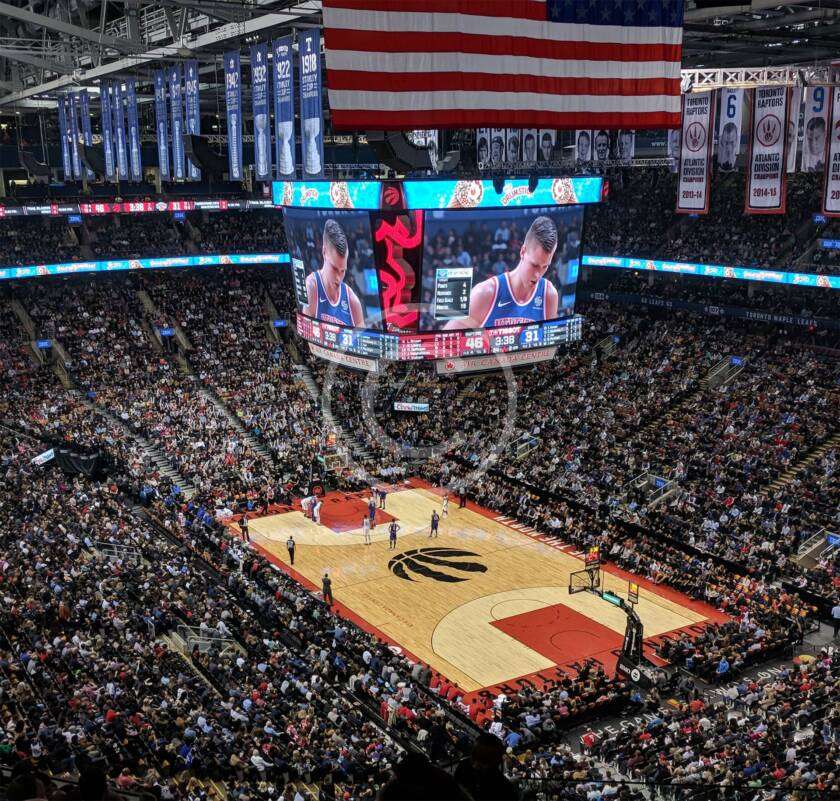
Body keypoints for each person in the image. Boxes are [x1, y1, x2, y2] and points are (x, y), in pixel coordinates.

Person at [444, 216, 559, 329]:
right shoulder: (484, 293)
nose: (538, 274)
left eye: (545, 266)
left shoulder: (549, 295)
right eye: (534, 265)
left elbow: (551, 341)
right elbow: (446, 339)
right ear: (523, 252)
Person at [303, 219, 364, 327]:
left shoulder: (352, 300)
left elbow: (363, 335)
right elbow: (307, 335)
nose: (338, 278)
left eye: (342, 271)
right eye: (334, 269)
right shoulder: (311, 286)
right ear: (324, 252)